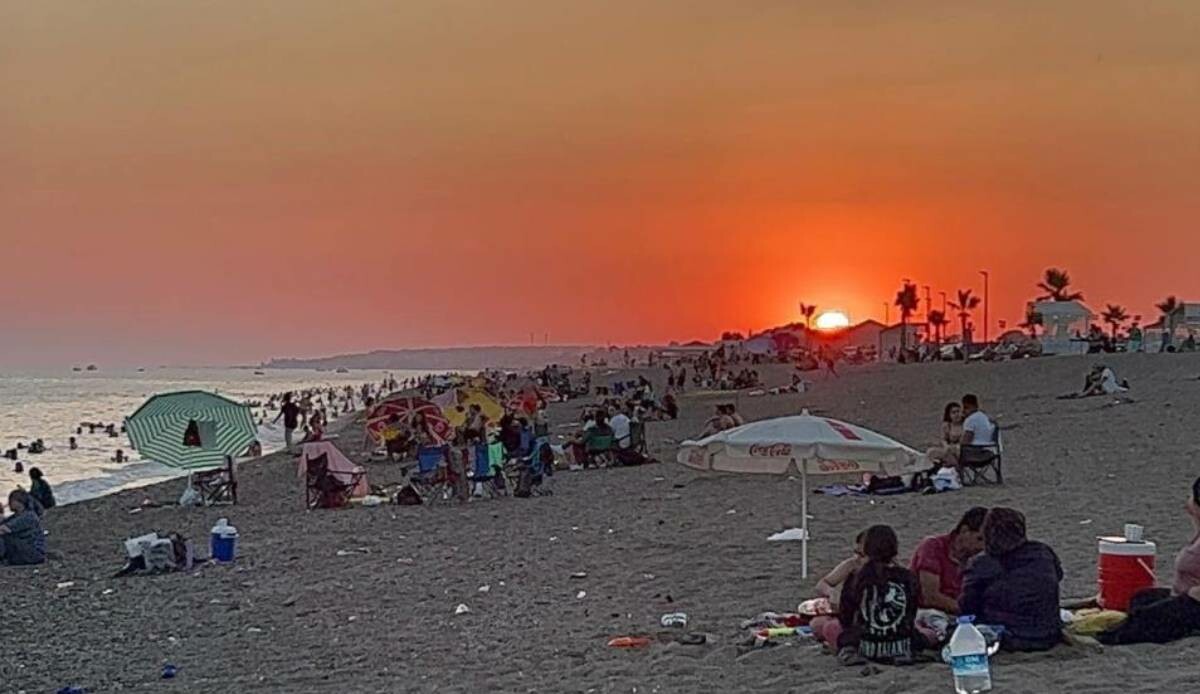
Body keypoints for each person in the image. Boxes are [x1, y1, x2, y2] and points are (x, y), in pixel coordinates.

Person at [1099, 477, 1200, 645]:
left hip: (1193, 604)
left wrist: (1192, 594)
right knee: (1141, 598)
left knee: (1142, 620)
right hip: (1182, 596)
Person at [959, 508, 1063, 651]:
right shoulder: (1042, 552)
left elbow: (967, 605)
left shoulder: (983, 563)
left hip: (1011, 634)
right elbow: (1059, 576)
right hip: (1050, 632)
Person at [836, 525, 922, 665]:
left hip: (866, 647)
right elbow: (911, 613)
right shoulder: (907, 577)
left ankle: (850, 652)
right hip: (902, 646)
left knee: (836, 631)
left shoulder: (858, 578)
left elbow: (845, 616)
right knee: (927, 635)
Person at [910, 507, 988, 613]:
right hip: (928, 612)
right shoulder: (933, 547)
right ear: (964, 530)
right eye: (979, 539)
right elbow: (930, 597)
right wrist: (966, 611)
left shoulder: (980, 558)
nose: (982, 546)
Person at [810, 531, 867, 648]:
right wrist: (832, 593)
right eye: (855, 553)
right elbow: (822, 584)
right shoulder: (852, 565)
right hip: (849, 616)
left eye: (861, 555)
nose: (857, 558)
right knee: (817, 624)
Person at [0, 490, 47, 566]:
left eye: (11, 501)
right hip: (28, 550)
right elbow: (4, 522)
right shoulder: (18, 516)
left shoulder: (28, 516)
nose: (9, 503)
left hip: (33, 553)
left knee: (6, 537)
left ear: (19, 502)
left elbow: (4, 529)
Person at [927, 402, 964, 468]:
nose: (956, 414)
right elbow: (943, 439)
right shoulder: (947, 425)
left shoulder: (966, 424)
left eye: (958, 411)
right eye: (953, 412)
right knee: (931, 452)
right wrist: (946, 446)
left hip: (961, 450)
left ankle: (955, 468)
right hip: (949, 449)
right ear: (949, 415)